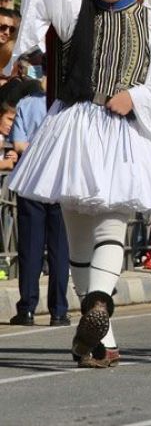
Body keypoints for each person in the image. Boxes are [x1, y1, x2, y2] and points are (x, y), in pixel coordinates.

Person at [8, 0, 151, 368]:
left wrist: (137, 96)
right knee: (77, 236)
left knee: (113, 219)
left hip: (126, 132)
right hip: (76, 128)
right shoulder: (76, 12)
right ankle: (101, 335)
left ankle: (97, 308)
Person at [8, 78, 70, 327]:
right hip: (59, 181)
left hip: (31, 180)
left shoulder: (26, 103)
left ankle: (27, 309)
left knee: (30, 249)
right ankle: (59, 310)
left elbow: (20, 144)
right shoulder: (67, 107)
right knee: (59, 250)